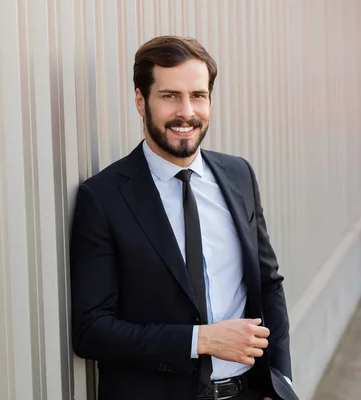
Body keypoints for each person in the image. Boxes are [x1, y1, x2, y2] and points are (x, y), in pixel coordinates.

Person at [70, 36, 298, 400]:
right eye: (169, 96)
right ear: (140, 101)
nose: (186, 112)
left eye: (198, 95)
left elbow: (268, 284)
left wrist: (279, 383)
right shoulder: (103, 197)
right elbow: (92, 330)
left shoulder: (238, 176)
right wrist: (201, 340)